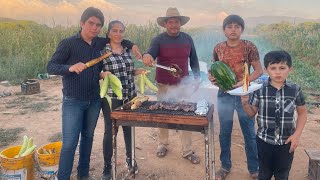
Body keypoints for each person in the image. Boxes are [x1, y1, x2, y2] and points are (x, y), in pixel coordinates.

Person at [47, 7, 141, 180]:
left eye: (98, 25)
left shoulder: (99, 43)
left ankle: (83, 175)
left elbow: (120, 39)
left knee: (88, 138)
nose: (94, 28)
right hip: (73, 100)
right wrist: (69, 67)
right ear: (82, 23)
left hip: (94, 100)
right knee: (69, 144)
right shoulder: (68, 43)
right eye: (91, 23)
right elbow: (51, 66)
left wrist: (132, 45)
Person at [142, 7, 201, 164]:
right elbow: (150, 53)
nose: (174, 25)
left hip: (183, 85)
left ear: (180, 23)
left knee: (185, 117)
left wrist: (197, 78)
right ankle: (163, 144)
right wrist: (147, 56)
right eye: (170, 22)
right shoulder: (158, 40)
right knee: (163, 116)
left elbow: (194, 59)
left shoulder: (187, 39)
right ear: (165, 24)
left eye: (176, 22)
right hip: (164, 85)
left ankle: (187, 150)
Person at [208, 15, 263, 180]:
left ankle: (254, 169)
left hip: (245, 94)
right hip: (224, 94)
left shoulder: (249, 47)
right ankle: (225, 166)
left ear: (242, 29)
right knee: (224, 131)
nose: (233, 29)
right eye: (229, 26)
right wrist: (211, 77)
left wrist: (241, 83)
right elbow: (215, 68)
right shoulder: (218, 48)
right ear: (224, 30)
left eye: (237, 26)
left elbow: (259, 71)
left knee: (249, 133)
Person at [241, 50, 307, 180]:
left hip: (286, 142)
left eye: (282, 68)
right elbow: (251, 113)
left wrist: (296, 135)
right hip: (264, 142)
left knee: (282, 175)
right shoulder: (259, 89)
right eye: (273, 68)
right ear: (266, 70)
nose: (278, 72)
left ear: (290, 69)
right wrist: (244, 103)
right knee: (264, 174)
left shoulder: (295, 89)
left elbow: (303, 113)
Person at [100, 20, 146, 180]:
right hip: (112, 98)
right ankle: (107, 166)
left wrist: (137, 71)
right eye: (114, 31)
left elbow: (128, 70)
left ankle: (130, 160)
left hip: (130, 95)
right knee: (110, 130)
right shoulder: (102, 51)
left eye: (121, 31)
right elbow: (97, 71)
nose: (118, 34)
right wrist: (101, 74)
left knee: (129, 128)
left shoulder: (127, 50)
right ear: (108, 33)